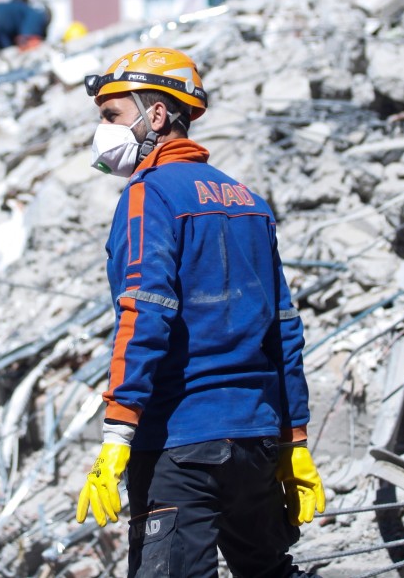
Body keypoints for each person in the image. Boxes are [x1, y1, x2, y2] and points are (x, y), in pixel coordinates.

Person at [75, 47, 324, 578]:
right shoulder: (247, 199)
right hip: (255, 441)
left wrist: (118, 431)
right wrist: (294, 441)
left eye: (111, 115)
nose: (102, 130)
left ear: (157, 115)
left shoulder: (149, 194)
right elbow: (284, 326)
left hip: (179, 444)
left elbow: (144, 311)